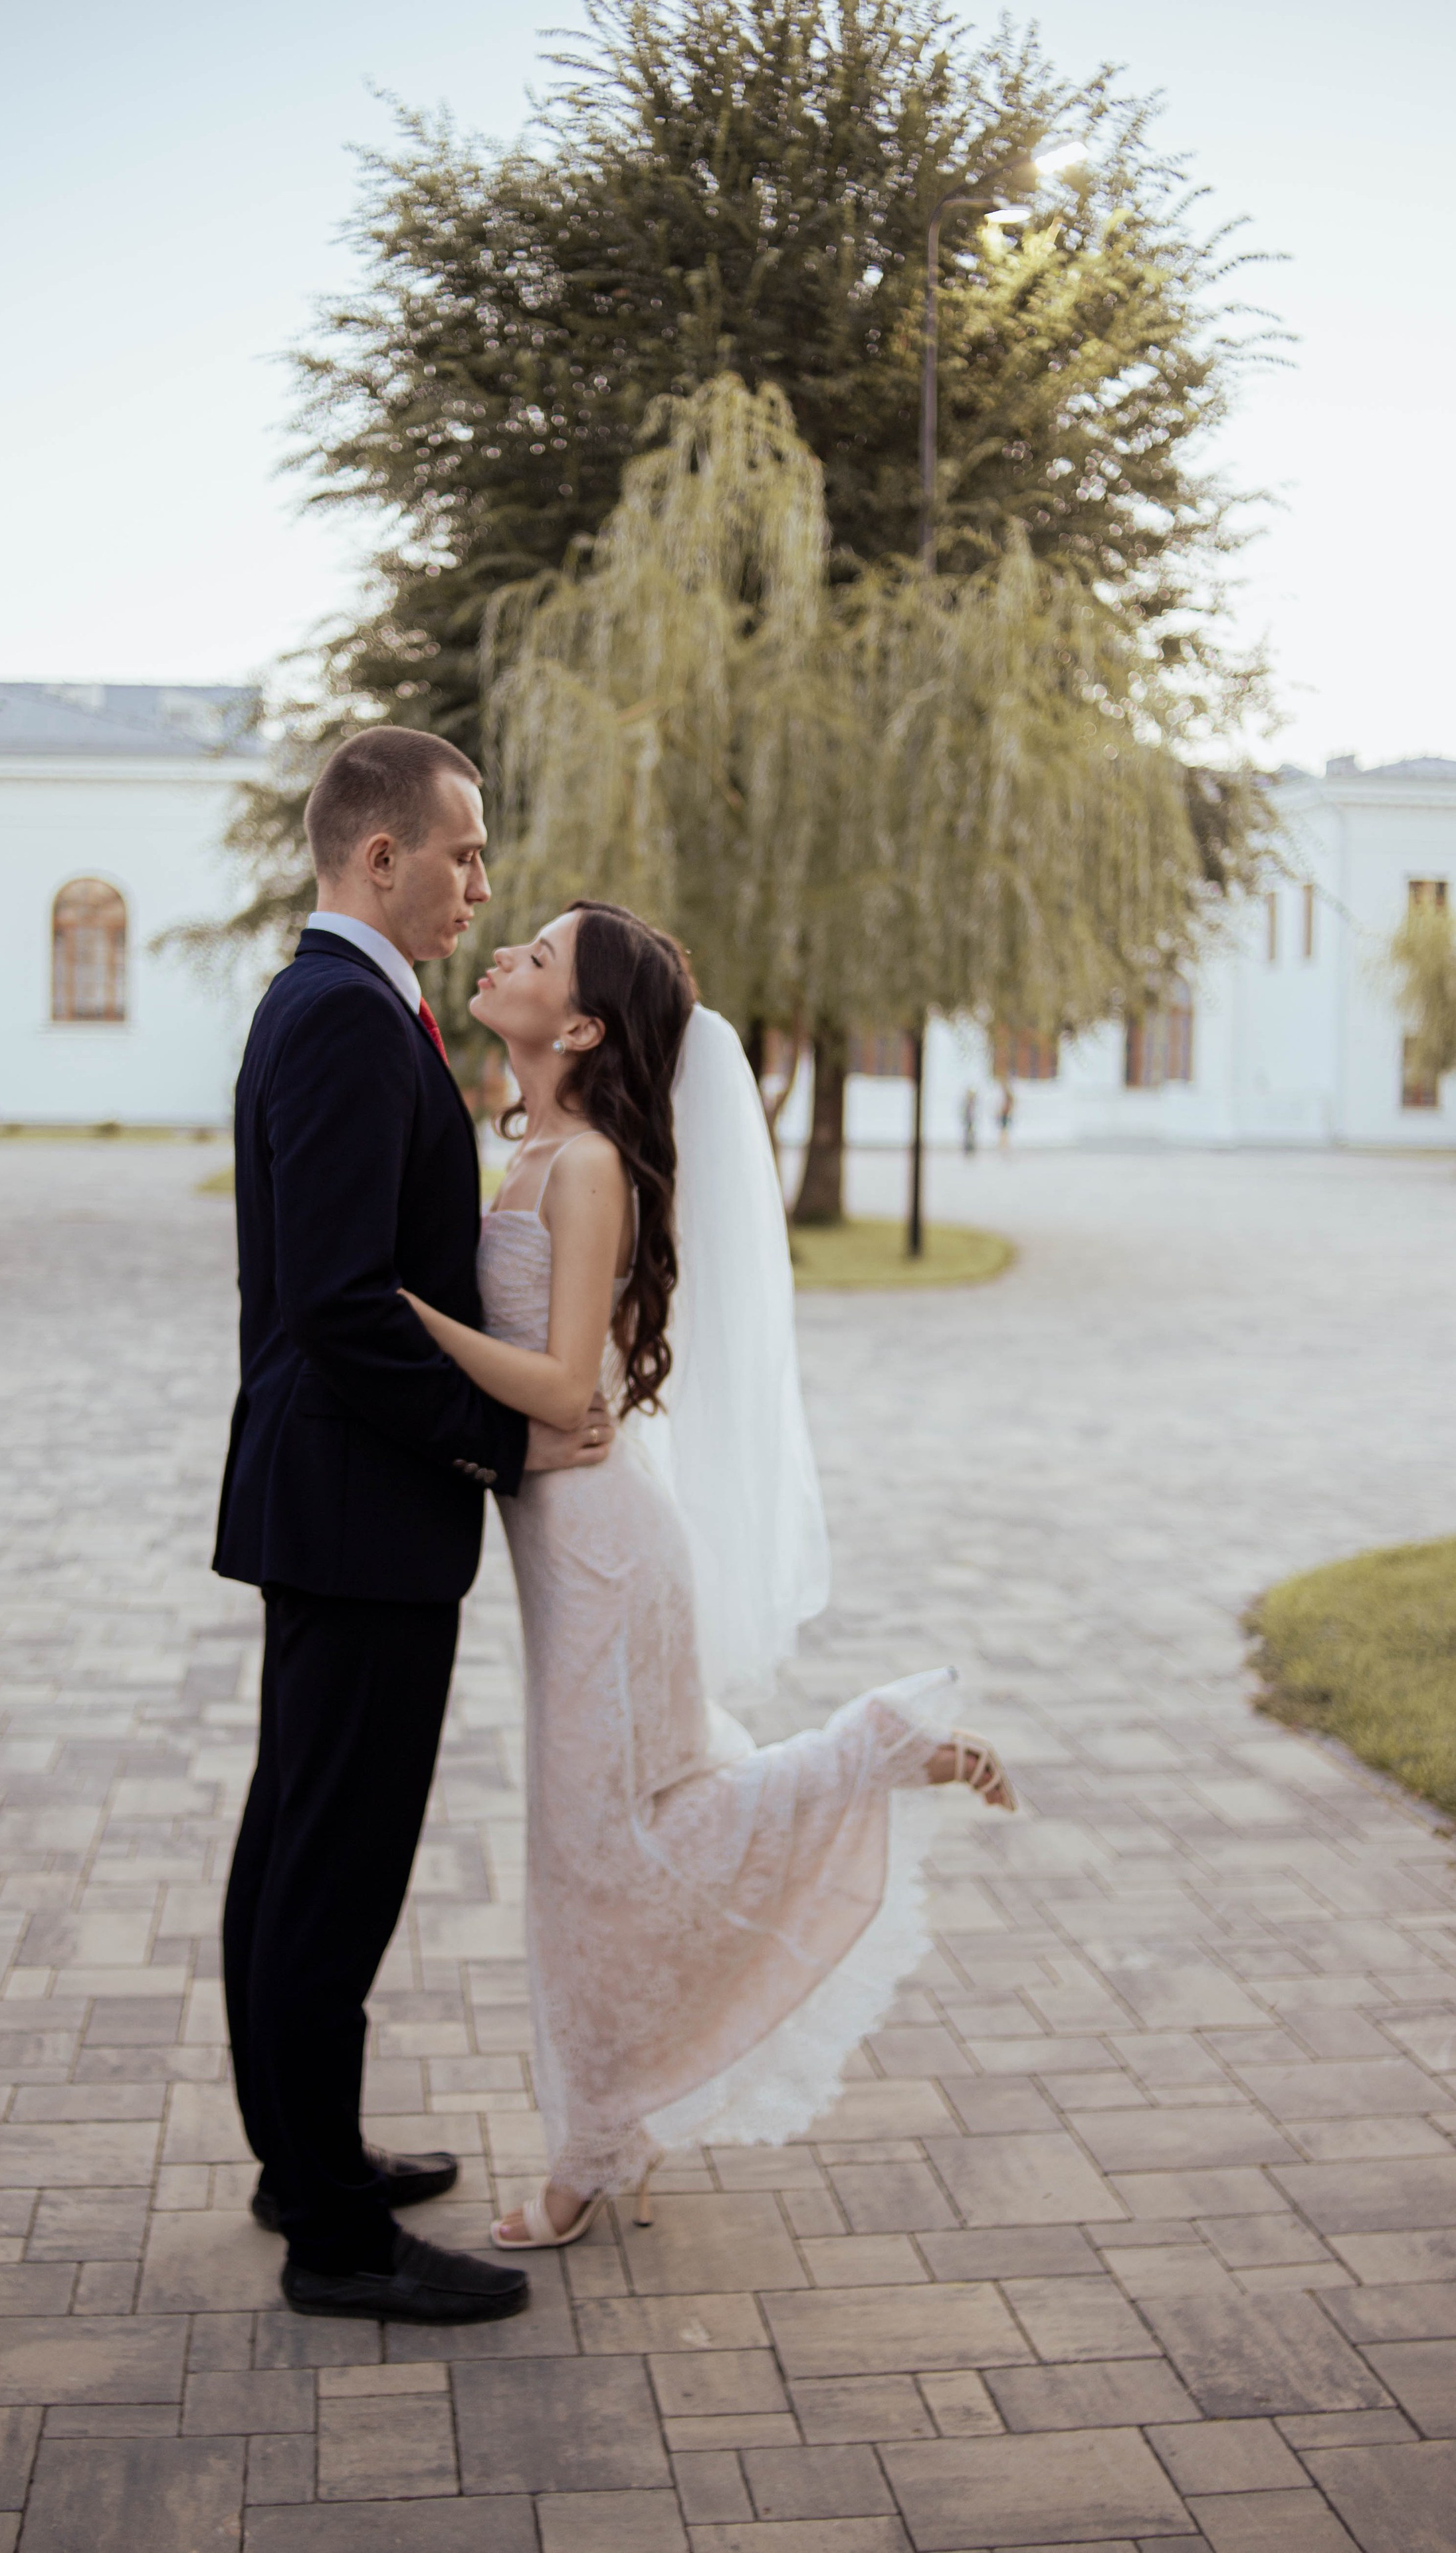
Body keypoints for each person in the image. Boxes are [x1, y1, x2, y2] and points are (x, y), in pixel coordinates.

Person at [401, 903, 1016, 2251]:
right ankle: (611, 2128)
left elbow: (564, 1386)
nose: (502, 952)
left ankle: (588, 2149)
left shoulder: (588, 1168)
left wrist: (403, 1314)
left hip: (606, 1559)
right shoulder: (537, 1144)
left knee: (602, 1853)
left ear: (577, 1027)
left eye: (540, 956)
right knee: (605, 1846)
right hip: (575, 1552)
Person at [213, 728, 615, 2328]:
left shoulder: (350, 1006)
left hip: (338, 1501)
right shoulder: (334, 1016)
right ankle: (333, 2236)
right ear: (379, 858)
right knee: (332, 1861)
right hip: (356, 1502)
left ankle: (301, 2154)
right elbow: (335, 1304)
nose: (482, 882)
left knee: (301, 1840)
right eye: (463, 853)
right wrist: (496, 1438)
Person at [997, 1079, 1015, 1151]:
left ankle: (1004, 1143)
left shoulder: (1009, 1098)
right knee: (1003, 1129)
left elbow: (1010, 1106)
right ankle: (1004, 1143)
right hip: (1005, 1114)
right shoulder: (1006, 1097)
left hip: (1006, 1114)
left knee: (1004, 1129)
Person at [961, 1086, 978, 1155]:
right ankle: (967, 1150)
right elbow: (964, 1112)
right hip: (967, 1121)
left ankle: (972, 1149)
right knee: (967, 1135)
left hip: (972, 1121)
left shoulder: (975, 1103)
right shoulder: (966, 1103)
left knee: (972, 1135)